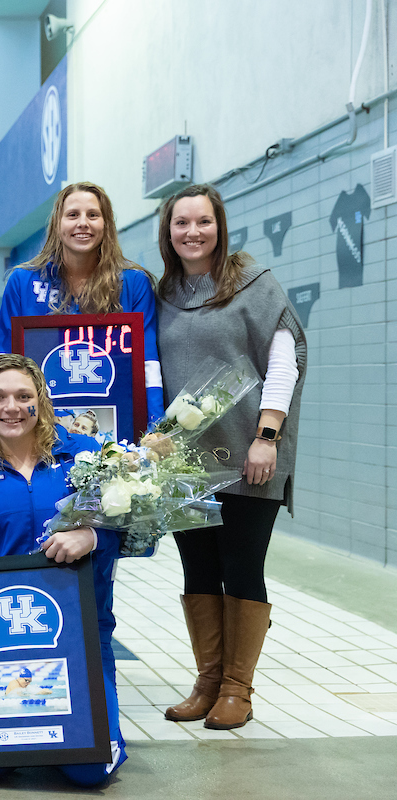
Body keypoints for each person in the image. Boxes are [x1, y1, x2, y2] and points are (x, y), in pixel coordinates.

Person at [0, 354, 127, 786]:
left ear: (43, 401)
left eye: (23, 396)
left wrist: (93, 537)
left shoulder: (85, 456)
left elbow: (136, 528)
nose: (11, 407)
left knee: (90, 767)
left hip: (78, 630)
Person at [155, 184, 305, 730]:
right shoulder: (164, 293)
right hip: (183, 462)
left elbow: (284, 361)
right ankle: (208, 681)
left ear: (220, 226)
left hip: (249, 455)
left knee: (243, 566)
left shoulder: (254, 285)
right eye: (181, 223)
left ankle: (238, 689)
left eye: (203, 222)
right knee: (199, 566)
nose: (192, 232)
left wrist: (268, 436)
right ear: (167, 232)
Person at [0, 181, 165, 423]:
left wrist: (155, 424)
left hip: (117, 423)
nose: (83, 223)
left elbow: (147, 362)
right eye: (73, 215)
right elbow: (5, 362)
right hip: (38, 427)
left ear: (106, 225)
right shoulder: (22, 282)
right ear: (57, 224)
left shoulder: (134, 283)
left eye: (93, 215)